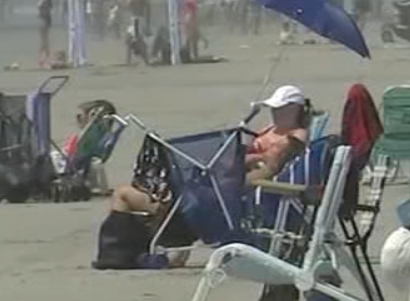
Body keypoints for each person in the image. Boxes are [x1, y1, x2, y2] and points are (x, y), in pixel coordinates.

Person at [105, 84, 311, 218]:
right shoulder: (270, 129)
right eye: (273, 108)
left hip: (251, 183)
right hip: (236, 174)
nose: (275, 112)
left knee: (191, 190)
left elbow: (272, 163)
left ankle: (168, 213)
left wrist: (249, 158)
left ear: (294, 109)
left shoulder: (296, 135)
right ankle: (165, 209)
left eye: (280, 108)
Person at [36, 0, 54, 65]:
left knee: (44, 41)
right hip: (44, 20)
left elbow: (44, 10)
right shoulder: (45, 0)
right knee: (44, 40)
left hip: (44, 20)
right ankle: (44, 57)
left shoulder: (44, 0)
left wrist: (41, 15)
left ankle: (43, 58)